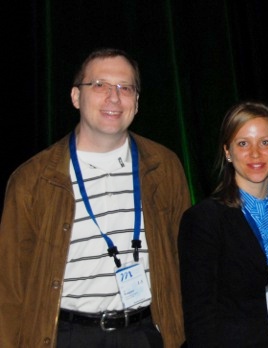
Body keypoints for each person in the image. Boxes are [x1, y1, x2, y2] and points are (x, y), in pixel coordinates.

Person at [0, 48, 191, 347]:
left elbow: (185, 260)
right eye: (99, 85)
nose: (114, 97)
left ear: (137, 102)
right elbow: (9, 287)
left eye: (125, 88)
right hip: (68, 336)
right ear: (76, 97)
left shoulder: (164, 167)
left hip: (145, 333)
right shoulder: (31, 180)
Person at [178, 100, 268, 347]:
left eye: (265, 142)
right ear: (227, 151)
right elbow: (200, 319)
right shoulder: (204, 220)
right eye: (243, 143)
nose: (255, 154)